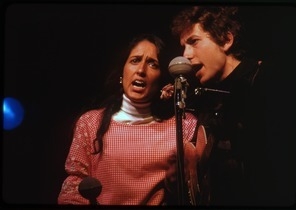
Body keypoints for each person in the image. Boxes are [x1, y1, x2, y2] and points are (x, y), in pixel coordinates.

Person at [57, 33, 201, 205]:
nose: (141, 70)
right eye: (135, 60)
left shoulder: (183, 125)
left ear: (161, 76)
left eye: (152, 63)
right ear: (122, 72)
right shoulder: (90, 122)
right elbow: (75, 185)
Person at [167, 6, 279, 206]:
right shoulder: (206, 98)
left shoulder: (266, 81)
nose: (186, 55)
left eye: (194, 42)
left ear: (227, 40)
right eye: (184, 46)